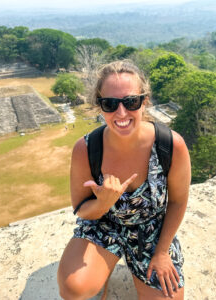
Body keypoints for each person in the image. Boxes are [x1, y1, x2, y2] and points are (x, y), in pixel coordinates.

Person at [57, 60, 191, 299]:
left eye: (130, 102)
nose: (121, 113)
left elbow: (178, 202)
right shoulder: (87, 149)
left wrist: (161, 252)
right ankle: (103, 271)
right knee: (73, 288)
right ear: (100, 106)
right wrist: (103, 203)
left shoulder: (170, 145)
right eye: (110, 104)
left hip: (152, 230)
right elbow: (81, 209)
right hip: (104, 224)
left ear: (144, 101)